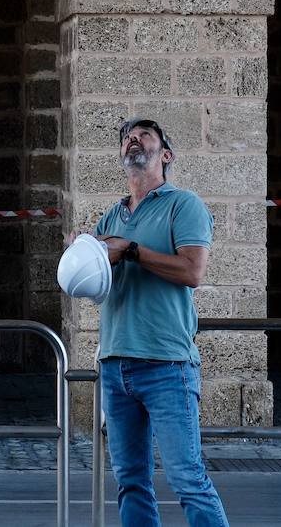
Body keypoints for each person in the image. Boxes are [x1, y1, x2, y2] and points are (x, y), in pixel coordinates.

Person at [79, 118, 230, 527]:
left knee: (187, 480)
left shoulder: (184, 205)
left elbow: (192, 272)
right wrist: (81, 261)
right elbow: (93, 283)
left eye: (145, 134)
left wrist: (131, 251)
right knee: (131, 481)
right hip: (115, 364)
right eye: (127, 136)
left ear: (165, 155)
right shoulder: (109, 218)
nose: (133, 139)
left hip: (166, 365)